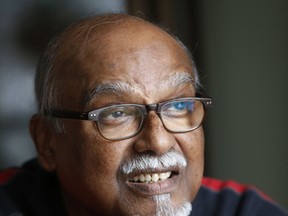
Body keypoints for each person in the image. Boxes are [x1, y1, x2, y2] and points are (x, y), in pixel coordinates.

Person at [0, 13, 287, 216]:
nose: (159, 141)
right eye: (118, 112)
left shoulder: (242, 210)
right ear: (48, 142)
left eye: (177, 106)